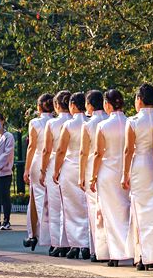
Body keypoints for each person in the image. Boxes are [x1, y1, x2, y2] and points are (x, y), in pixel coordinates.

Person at [124, 84, 153, 271]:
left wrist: (124, 174)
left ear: (139, 99)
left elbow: (128, 150)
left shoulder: (132, 121)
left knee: (140, 211)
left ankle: (143, 256)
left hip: (139, 164)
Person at [92, 89, 132, 267]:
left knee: (110, 213)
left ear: (107, 104)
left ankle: (115, 253)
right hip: (127, 170)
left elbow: (98, 153)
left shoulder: (103, 126)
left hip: (108, 171)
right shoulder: (130, 122)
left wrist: (93, 176)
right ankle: (130, 249)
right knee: (126, 210)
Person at [53, 94, 89, 258]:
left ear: (73, 105)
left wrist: (56, 170)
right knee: (87, 206)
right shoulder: (89, 121)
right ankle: (88, 242)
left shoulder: (69, 124)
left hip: (70, 166)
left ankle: (76, 244)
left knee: (71, 207)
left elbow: (60, 150)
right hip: (87, 166)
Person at [42, 91, 72, 256]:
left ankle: (58, 242)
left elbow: (47, 149)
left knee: (55, 206)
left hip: (55, 162)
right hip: (72, 163)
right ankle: (73, 240)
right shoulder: (77, 121)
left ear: (56, 105)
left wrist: (43, 170)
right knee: (72, 205)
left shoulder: (52, 124)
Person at [23, 94, 54, 250]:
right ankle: (33, 233)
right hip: (53, 160)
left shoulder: (35, 122)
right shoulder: (57, 121)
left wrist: (26, 168)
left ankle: (41, 235)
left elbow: (31, 146)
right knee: (43, 199)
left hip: (38, 160)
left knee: (38, 199)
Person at [80, 90, 108, 262]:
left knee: (94, 210)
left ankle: (98, 249)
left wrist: (81, 174)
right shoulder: (110, 119)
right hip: (113, 166)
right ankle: (112, 248)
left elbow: (84, 152)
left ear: (89, 105)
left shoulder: (89, 124)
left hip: (92, 167)